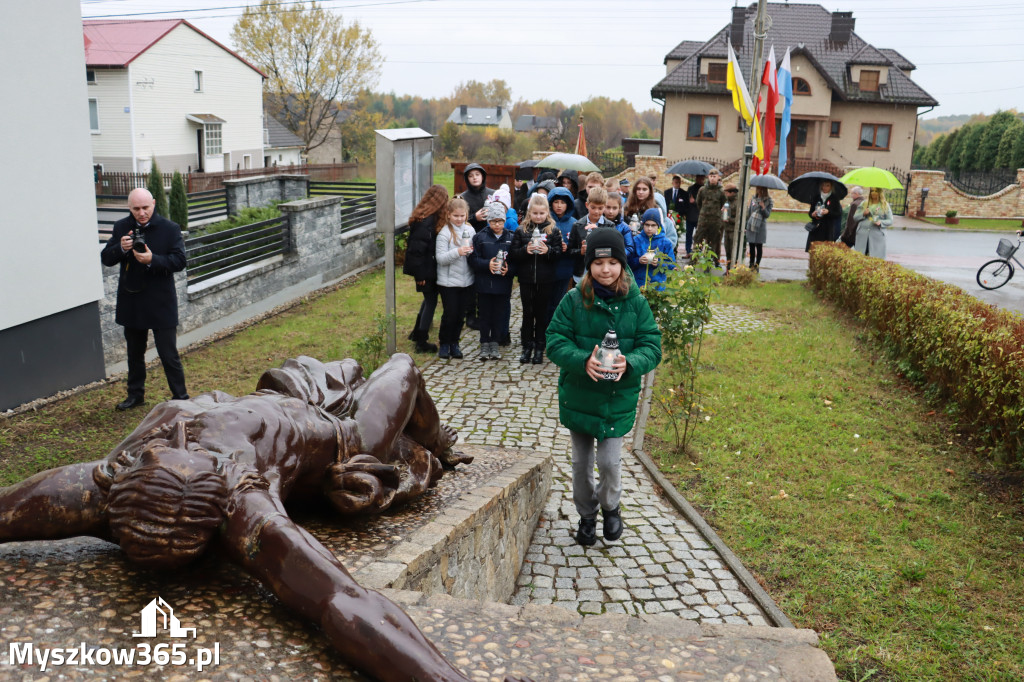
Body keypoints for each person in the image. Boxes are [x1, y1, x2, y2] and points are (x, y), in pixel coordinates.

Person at [0, 354, 512, 682]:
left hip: (276, 398)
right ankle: (435, 446)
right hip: (338, 434)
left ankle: (432, 445)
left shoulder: (102, 484)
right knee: (402, 368)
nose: (179, 437)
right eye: (184, 452)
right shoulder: (245, 507)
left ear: (130, 473)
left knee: (365, 370)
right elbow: (343, 601)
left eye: (161, 449)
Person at [546, 228, 662, 546]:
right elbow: (554, 341)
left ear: (622, 265)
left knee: (609, 462)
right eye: (598, 263)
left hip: (616, 400)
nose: (605, 269)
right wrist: (582, 360)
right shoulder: (573, 300)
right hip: (580, 399)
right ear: (589, 266)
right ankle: (586, 516)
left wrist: (632, 363)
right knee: (581, 465)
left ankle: (611, 507)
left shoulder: (636, 304)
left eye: (612, 262)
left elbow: (652, 345)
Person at [101, 188, 188, 411]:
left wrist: (152, 260)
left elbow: (179, 261)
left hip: (161, 301)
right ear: (129, 208)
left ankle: (181, 398)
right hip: (132, 300)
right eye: (136, 209)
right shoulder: (122, 227)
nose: (141, 213)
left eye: (145, 208)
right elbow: (106, 259)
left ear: (154, 203)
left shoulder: (170, 228)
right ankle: (135, 395)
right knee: (134, 353)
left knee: (168, 354)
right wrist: (121, 247)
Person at [509, 194, 564, 364]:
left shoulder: (553, 230)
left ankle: (540, 347)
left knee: (541, 314)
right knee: (527, 313)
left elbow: (558, 254)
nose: (538, 217)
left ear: (547, 213)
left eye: (541, 213)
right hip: (526, 279)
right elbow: (513, 254)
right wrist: (525, 249)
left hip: (545, 279)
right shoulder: (521, 230)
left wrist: (547, 251)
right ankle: (527, 346)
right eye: (535, 213)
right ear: (529, 213)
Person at [403, 185, 448, 353]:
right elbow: (416, 251)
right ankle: (421, 342)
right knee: (431, 301)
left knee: (428, 299)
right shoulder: (426, 222)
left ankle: (417, 333)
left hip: (427, 268)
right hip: (425, 270)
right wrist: (419, 275)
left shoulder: (425, 217)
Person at [469, 203, 515, 360]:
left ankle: (495, 342)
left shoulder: (511, 238)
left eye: (500, 221)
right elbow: (473, 260)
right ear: (488, 221)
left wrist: (508, 269)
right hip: (484, 285)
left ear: (504, 221)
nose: (497, 224)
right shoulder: (480, 237)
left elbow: (517, 262)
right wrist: (487, 264)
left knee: (498, 315)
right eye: (494, 221)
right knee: (485, 315)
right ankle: (484, 342)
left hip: (502, 285)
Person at [435, 197, 475, 360]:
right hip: (448, 282)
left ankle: (455, 343)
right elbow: (440, 258)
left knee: (460, 314)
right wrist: (457, 252)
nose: (459, 219)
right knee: (450, 313)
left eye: (462, 216)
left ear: (466, 215)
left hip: (467, 280)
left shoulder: (471, 231)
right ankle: (445, 342)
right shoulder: (444, 234)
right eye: (456, 216)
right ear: (449, 215)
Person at [568, 187, 618, 283]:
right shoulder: (577, 225)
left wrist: (599, 233)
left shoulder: (610, 225)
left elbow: (613, 249)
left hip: (602, 272)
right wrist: (580, 251)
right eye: (593, 207)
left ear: (605, 206)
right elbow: (570, 251)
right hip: (582, 272)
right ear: (587, 205)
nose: (596, 211)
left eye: (600, 208)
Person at [547, 187, 578, 317]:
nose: (559, 206)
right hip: (547, 269)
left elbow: (577, 248)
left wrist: (567, 249)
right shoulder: (546, 221)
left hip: (564, 269)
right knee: (546, 303)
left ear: (569, 204)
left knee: (559, 302)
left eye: (563, 202)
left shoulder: (574, 223)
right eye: (556, 202)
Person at [627, 208, 675, 290]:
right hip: (638, 286)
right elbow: (628, 262)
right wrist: (638, 261)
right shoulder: (636, 240)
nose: (649, 228)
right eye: (647, 225)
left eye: (653, 225)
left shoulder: (665, 243)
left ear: (658, 226)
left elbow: (671, 265)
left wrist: (659, 263)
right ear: (643, 225)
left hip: (657, 287)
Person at [625, 177, 677, 251]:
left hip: (651, 251)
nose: (641, 192)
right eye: (638, 189)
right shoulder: (628, 208)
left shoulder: (656, 209)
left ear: (650, 191)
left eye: (644, 189)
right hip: (631, 249)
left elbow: (667, 235)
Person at [694, 169, 726, 262]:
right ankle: (694, 261)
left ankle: (710, 262)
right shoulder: (702, 190)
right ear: (708, 177)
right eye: (711, 176)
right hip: (703, 220)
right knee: (698, 239)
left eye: (714, 176)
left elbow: (723, 204)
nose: (712, 178)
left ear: (718, 177)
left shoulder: (721, 191)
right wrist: (704, 212)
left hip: (715, 221)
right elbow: (698, 203)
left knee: (713, 242)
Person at [853, 187, 893, 259]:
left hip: (877, 235)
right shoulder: (864, 203)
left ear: (880, 193)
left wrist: (880, 222)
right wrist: (863, 214)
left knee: (875, 258)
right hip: (862, 234)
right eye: (872, 191)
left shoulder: (884, 205)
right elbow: (855, 217)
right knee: (861, 257)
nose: (873, 193)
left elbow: (890, 220)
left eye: (876, 191)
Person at [805, 180, 842, 252]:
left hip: (827, 229)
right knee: (814, 250)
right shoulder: (816, 197)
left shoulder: (834, 198)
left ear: (831, 187)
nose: (825, 187)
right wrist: (813, 214)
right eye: (823, 185)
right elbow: (810, 212)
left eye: (827, 185)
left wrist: (828, 212)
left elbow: (838, 213)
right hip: (816, 228)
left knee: (825, 251)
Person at [744, 186, 774, 271]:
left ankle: (757, 265)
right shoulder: (753, 199)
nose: (758, 191)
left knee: (759, 246)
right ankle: (751, 264)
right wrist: (746, 225)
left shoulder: (769, 201)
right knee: (751, 245)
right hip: (751, 225)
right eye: (757, 189)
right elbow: (749, 212)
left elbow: (767, 215)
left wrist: (763, 207)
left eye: (760, 189)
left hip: (760, 226)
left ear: (764, 190)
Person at [460, 162, 494, 233]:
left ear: (482, 176)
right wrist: (474, 218)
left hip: (492, 235)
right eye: (470, 176)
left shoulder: (493, 194)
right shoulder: (462, 198)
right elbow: (458, 219)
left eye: (477, 174)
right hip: (471, 235)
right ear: (467, 179)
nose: (474, 178)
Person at [721, 182, 741, 272]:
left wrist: (730, 219)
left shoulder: (738, 203)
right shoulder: (727, 202)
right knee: (727, 251)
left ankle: (734, 270)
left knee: (734, 252)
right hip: (727, 229)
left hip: (734, 231)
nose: (726, 194)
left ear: (732, 192)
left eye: (727, 193)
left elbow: (740, 219)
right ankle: (728, 270)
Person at [684, 174, 705, 258]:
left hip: (699, 216)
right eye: (698, 178)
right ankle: (688, 251)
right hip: (690, 216)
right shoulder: (691, 188)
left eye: (701, 178)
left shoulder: (704, 189)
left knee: (699, 236)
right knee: (688, 235)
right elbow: (687, 201)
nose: (700, 180)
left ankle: (698, 252)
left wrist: (694, 202)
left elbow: (704, 203)